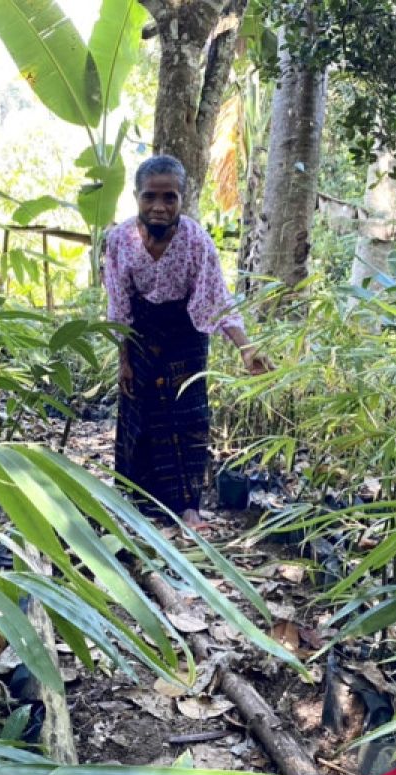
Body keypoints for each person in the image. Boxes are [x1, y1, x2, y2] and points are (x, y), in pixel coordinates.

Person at [103, 155, 271, 530]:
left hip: (185, 333)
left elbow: (216, 297)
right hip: (140, 334)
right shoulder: (119, 241)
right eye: (150, 197)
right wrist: (124, 361)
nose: (159, 207)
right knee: (138, 415)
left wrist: (246, 348)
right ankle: (135, 502)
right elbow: (118, 304)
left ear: (182, 198)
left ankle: (188, 507)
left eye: (169, 198)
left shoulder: (196, 240)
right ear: (136, 197)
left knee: (188, 416)